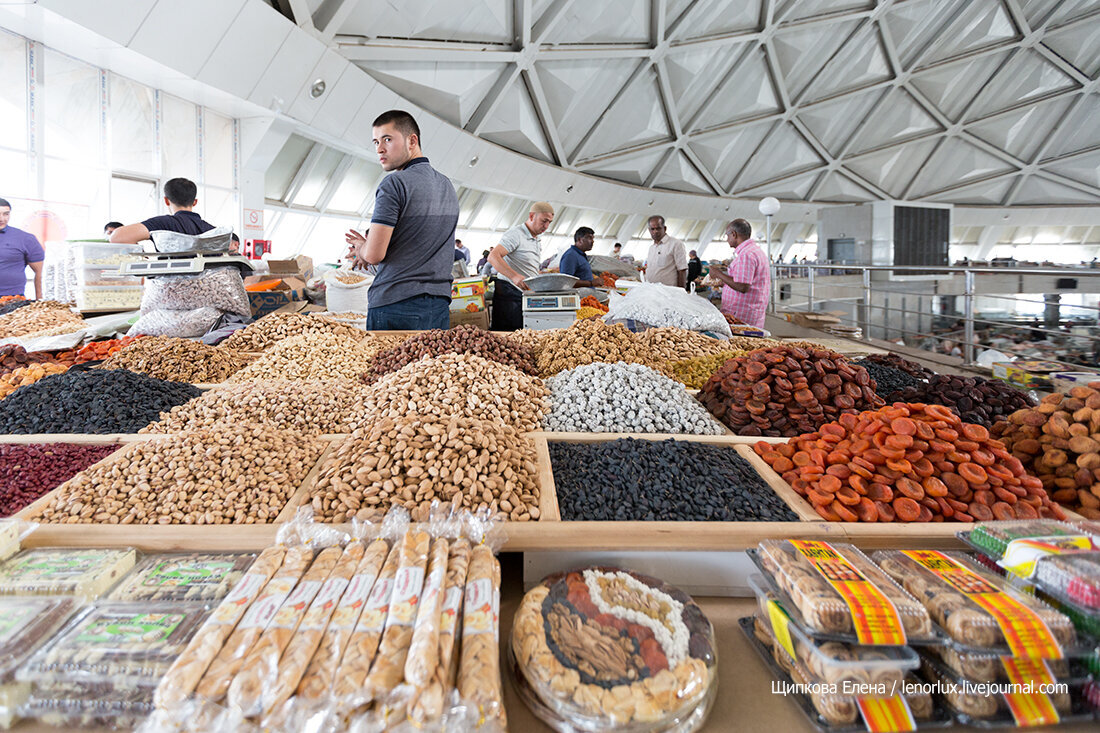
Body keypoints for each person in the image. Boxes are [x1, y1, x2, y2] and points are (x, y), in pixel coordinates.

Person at [344, 110, 459, 331]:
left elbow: (374, 255)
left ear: (412, 140)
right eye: (376, 141)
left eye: (387, 139)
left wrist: (360, 248)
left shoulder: (394, 184)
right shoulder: (446, 185)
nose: (379, 149)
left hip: (395, 305)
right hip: (439, 306)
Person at [488, 202, 554, 331]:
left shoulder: (536, 238)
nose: (546, 226)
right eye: (544, 221)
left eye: (549, 222)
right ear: (531, 216)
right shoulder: (516, 234)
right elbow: (493, 256)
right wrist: (514, 276)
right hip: (509, 295)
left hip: (524, 296)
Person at [707, 219, 770, 329]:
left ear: (734, 234)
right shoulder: (754, 250)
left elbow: (742, 286)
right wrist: (724, 283)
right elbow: (743, 280)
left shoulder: (746, 255)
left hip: (742, 314)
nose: (727, 240)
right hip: (750, 311)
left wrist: (718, 274)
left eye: (727, 236)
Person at [109, 178, 214, 243]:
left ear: (166, 201)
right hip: (212, 279)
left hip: (171, 279)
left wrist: (140, 254)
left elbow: (116, 237)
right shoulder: (209, 229)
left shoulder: (163, 223)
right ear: (195, 202)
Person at [0, 198, 44, 299]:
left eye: (6, 214)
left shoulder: (26, 239)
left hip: (13, 300)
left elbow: (40, 273)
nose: (1, 219)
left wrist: (39, 302)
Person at [643, 215, 687, 288]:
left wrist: (681, 293)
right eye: (652, 229)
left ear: (665, 228)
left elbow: (682, 270)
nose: (655, 231)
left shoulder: (676, 244)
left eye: (658, 228)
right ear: (649, 230)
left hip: (668, 292)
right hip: (652, 290)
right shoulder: (652, 248)